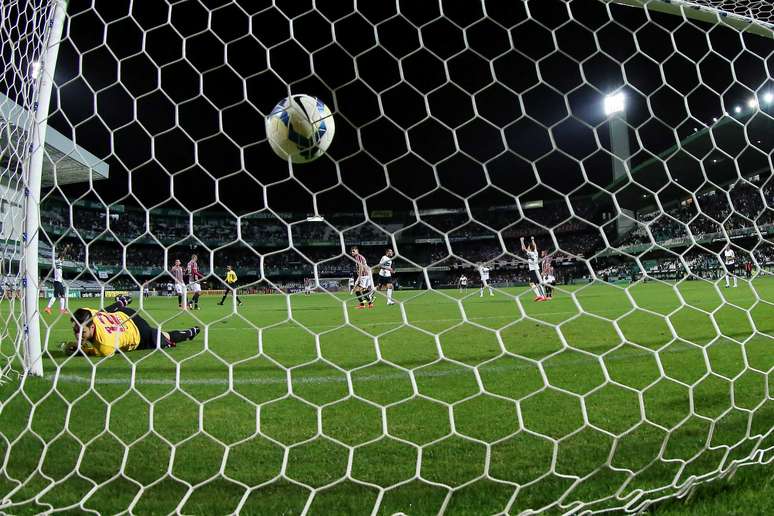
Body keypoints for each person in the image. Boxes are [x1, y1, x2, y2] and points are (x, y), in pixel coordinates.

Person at [63, 296, 200, 357]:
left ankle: (189, 332)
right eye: (76, 330)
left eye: (82, 331)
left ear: (92, 327)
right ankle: (122, 302)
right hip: (125, 314)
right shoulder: (89, 313)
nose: (78, 334)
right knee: (103, 312)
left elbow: (90, 352)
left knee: (164, 337)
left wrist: (80, 351)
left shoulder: (105, 345)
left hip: (138, 332)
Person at [44, 245, 71, 314]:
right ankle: (48, 307)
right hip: (57, 282)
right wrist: (66, 248)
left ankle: (62, 310)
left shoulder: (57, 262)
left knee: (62, 295)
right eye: (63, 258)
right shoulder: (58, 261)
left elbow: (62, 256)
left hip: (59, 282)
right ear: (60, 257)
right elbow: (62, 255)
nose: (64, 259)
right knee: (55, 295)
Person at [521, 236, 546, 301]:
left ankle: (540, 296)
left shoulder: (530, 253)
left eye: (528, 247)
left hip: (533, 270)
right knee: (537, 283)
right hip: (537, 269)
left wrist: (522, 241)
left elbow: (523, 248)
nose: (527, 248)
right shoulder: (535, 252)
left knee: (533, 283)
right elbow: (534, 246)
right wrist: (533, 240)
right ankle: (542, 296)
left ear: (530, 248)